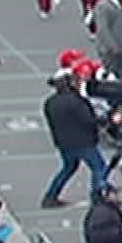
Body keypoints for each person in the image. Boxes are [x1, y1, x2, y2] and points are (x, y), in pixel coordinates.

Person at [40, 66, 109, 208]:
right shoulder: (75, 101)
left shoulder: (50, 102)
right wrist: (106, 121)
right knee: (99, 167)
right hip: (83, 141)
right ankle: (98, 195)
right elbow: (89, 120)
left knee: (68, 167)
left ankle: (50, 196)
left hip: (63, 143)